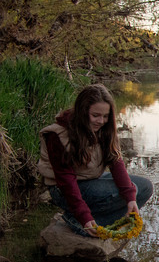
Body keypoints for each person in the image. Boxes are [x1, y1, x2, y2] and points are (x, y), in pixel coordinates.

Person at [37, 84, 152, 238]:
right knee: (123, 192)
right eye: (95, 115)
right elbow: (66, 181)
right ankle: (79, 222)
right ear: (83, 111)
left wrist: (131, 198)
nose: (101, 121)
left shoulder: (105, 129)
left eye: (105, 116)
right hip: (63, 189)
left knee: (144, 187)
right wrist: (83, 215)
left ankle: (99, 222)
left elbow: (116, 164)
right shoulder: (58, 135)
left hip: (90, 180)